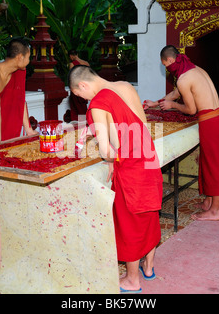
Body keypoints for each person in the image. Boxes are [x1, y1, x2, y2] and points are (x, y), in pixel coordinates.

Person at [69, 65, 163, 294]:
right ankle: (148, 267)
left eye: (80, 95)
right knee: (149, 214)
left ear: (83, 85)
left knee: (129, 222)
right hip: (149, 158)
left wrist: (101, 148)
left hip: (131, 168)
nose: (83, 100)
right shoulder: (124, 87)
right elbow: (140, 125)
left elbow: (107, 151)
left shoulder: (99, 102)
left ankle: (132, 280)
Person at [145, 45, 219, 221]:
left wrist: (173, 106)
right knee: (208, 163)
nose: (167, 69)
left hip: (210, 122)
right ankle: (208, 202)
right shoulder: (195, 69)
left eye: (165, 66)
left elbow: (191, 110)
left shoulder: (183, 78)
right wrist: (155, 103)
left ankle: (215, 211)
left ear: (168, 61)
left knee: (214, 166)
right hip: (216, 118)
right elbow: (176, 93)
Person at [67, 50, 90, 121]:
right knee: (83, 106)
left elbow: (71, 77)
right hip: (84, 87)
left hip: (77, 87)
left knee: (77, 108)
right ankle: (85, 122)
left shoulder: (72, 64)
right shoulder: (86, 63)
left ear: (71, 56)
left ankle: (80, 125)